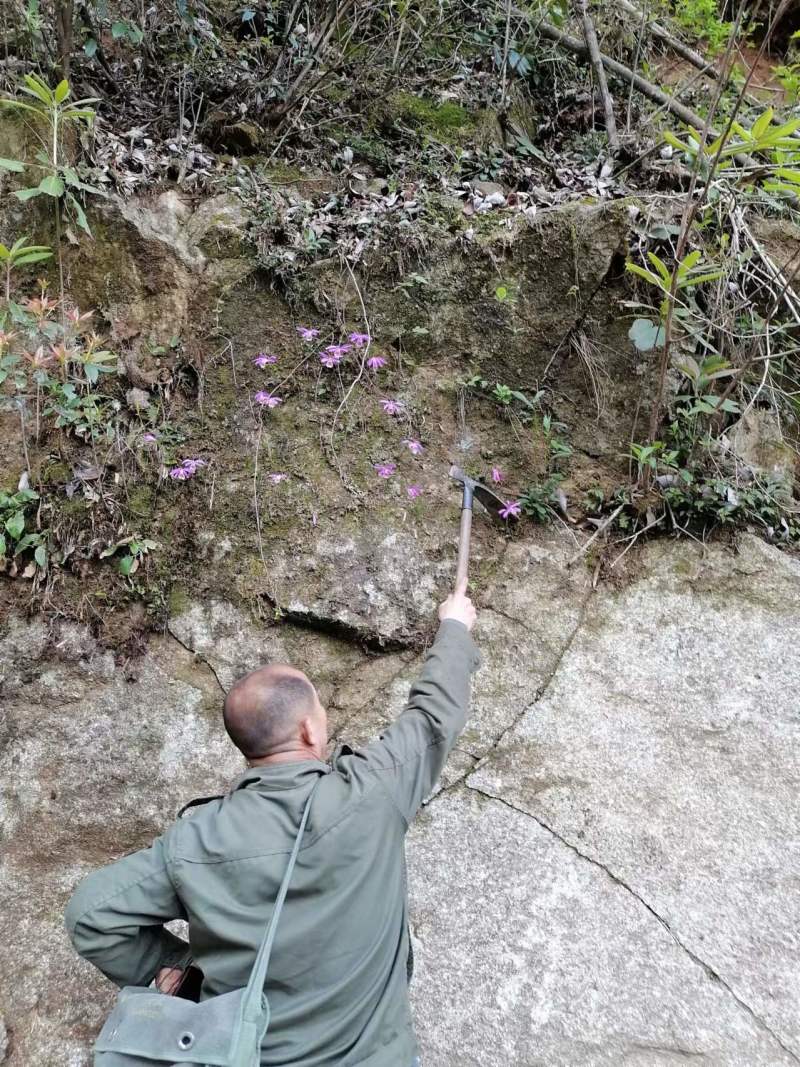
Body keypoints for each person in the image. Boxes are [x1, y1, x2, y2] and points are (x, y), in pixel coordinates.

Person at [66, 583, 479, 1066]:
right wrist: (454, 628)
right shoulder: (370, 793)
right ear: (309, 729)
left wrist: (181, 971)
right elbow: (432, 717)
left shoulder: (194, 842)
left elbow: (90, 914)